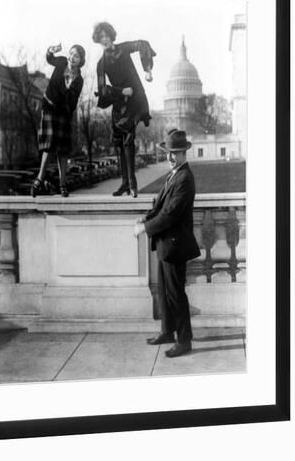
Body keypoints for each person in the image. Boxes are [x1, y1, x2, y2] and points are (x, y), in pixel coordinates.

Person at [133, 129, 201, 358]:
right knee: (163, 291)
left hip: (175, 244)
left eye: (176, 153)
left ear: (184, 153)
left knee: (175, 294)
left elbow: (170, 214)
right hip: (166, 243)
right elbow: (161, 206)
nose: (171, 157)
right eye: (169, 153)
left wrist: (145, 228)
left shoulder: (184, 178)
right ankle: (167, 331)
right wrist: (147, 216)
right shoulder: (174, 174)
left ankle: (184, 340)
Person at [92, 22, 156, 197]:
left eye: (106, 36)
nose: (104, 40)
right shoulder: (101, 64)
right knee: (120, 142)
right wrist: (121, 91)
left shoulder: (124, 48)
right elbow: (103, 90)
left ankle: (132, 182)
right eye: (101, 38)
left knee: (127, 137)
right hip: (120, 102)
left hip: (135, 98)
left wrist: (147, 70)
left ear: (111, 36)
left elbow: (142, 44)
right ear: (98, 40)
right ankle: (125, 183)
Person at [31, 43, 85, 198]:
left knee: (62, 149)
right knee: (48, 146)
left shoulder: (79, 80)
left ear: (81, 60)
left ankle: (63, 185)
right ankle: (39, 180)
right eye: (71, 54)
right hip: (49, 107)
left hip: (63, 113)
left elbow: (73, 103)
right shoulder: (61, 62)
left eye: (76, 56)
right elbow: (49, 59)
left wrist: (68, 87)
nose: (71, 57)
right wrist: (50, 50)